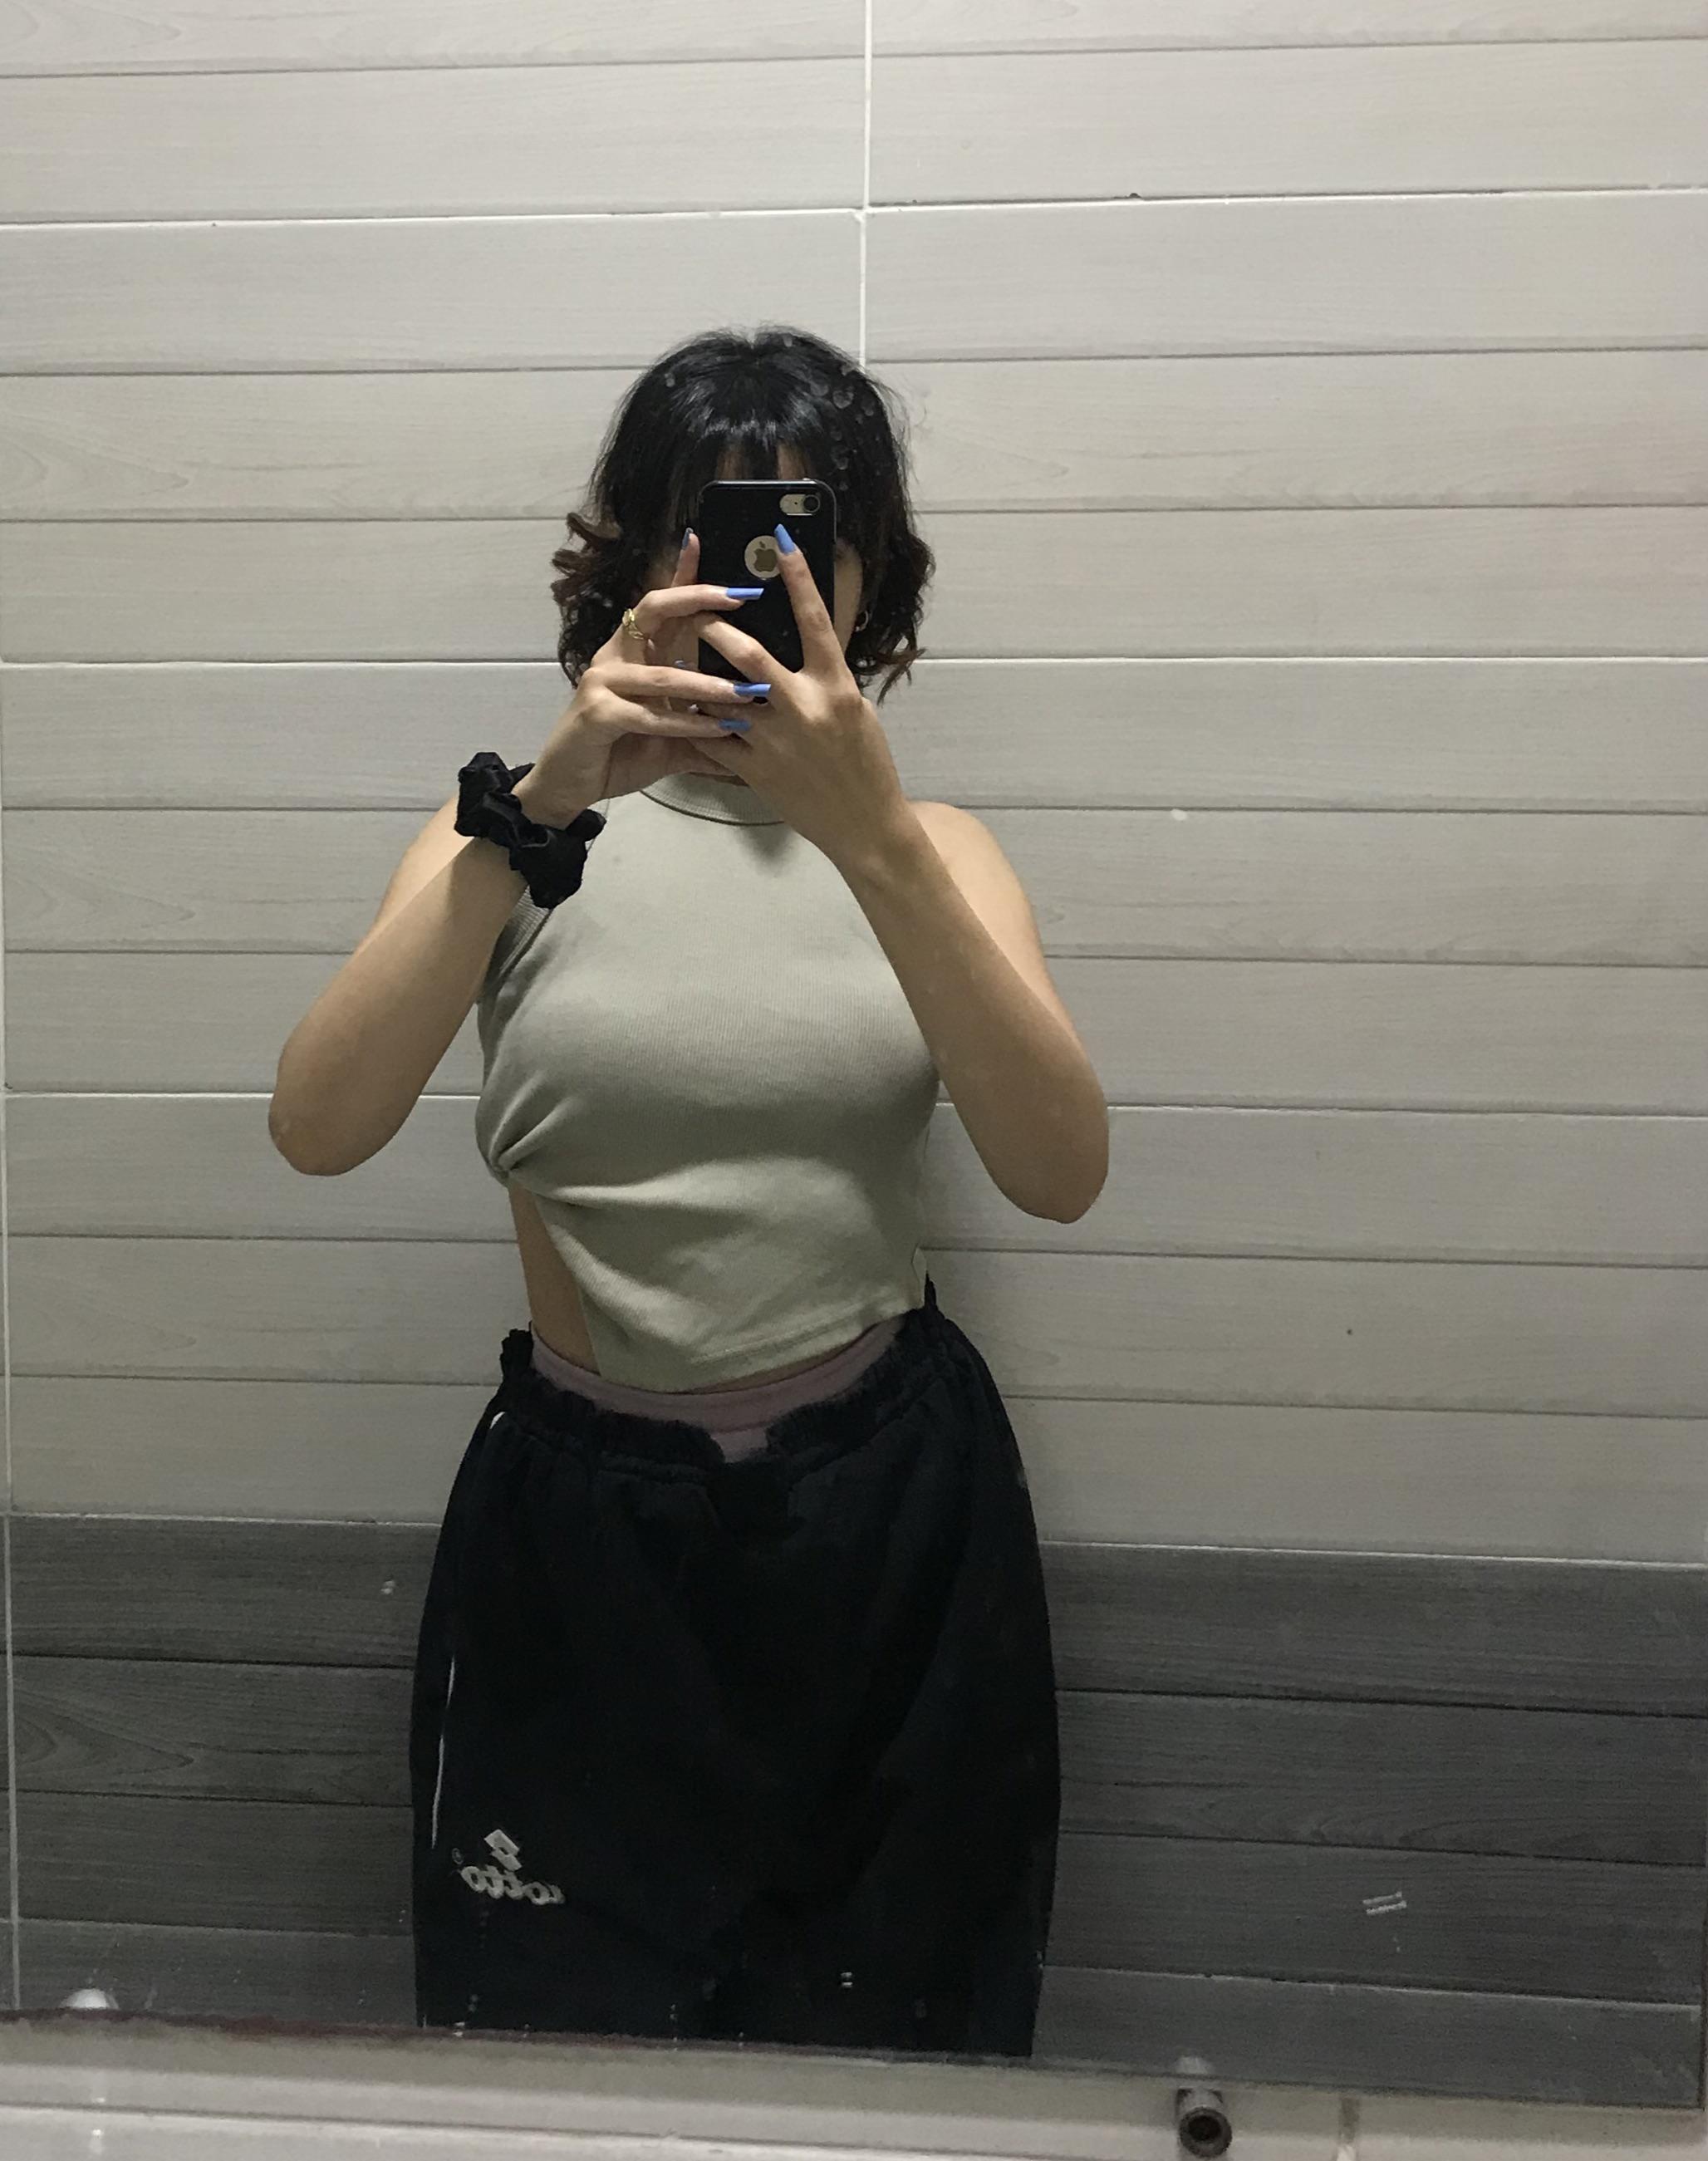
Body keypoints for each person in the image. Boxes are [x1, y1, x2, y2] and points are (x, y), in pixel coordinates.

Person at [270, 325, 1091, 2059]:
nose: (751, 574)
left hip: (888, 1515)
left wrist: (873, 832)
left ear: (865, 577)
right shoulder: (502, 835)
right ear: (635, 560)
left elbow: (1058, 1169)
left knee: (912, 2051)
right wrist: (544, 801)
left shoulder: (939, 851)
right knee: (555, 2056)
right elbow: (318, 1125)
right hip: (583, 1530)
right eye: (705, 528)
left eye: (803, 531)